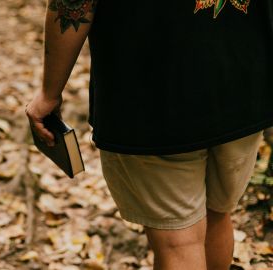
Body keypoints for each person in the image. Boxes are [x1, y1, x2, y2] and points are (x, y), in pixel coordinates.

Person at [25, 0, 273, 269]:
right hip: (246, 87)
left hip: (154, 97)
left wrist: (49, 92)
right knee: (216, 215)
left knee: (180, 241)